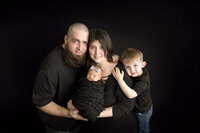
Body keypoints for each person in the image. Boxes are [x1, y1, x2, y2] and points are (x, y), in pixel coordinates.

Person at [32, 22, 89, 133]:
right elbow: (41, 102)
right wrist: (68, 113)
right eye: (75, 41)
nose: (80, 48)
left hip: (78, 122)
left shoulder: (83, 54)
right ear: (66, 39)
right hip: (58, 125)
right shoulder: (50, 67)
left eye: (84, 42)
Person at [77, 29, 138, 133]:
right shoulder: (88, 68)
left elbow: (126, 106)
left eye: (101, 47)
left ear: (108, 48)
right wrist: (73, 103)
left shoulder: (119, 71)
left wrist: (94, 113)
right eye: (92, 47)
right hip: (94, 127)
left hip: (118, 127)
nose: (97, 52)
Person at [112, 48, 153, 133]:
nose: (132, 70)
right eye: (128, 67)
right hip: (137, 106)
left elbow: (131, 95)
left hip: (143, 110)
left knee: (142, 129)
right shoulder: (137, 70)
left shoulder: (143, 81)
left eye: (135, 65)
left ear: (143, 64)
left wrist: (120, 79)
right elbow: (123, 61)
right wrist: (117, 57)